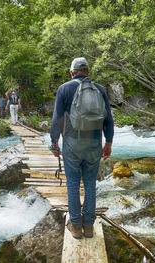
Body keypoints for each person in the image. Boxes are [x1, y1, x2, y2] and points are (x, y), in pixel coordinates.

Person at [49, 57, 114, 239]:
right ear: (88, 72)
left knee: (73, 183)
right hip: (94, 143)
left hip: (72, 143)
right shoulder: (99, 89)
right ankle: (89, 226)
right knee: (90, 183)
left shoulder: (64, 89)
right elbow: (108, 119)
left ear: (72, 72)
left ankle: (76, 227)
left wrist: (54, 143)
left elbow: (57, 120)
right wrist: (108, 142)